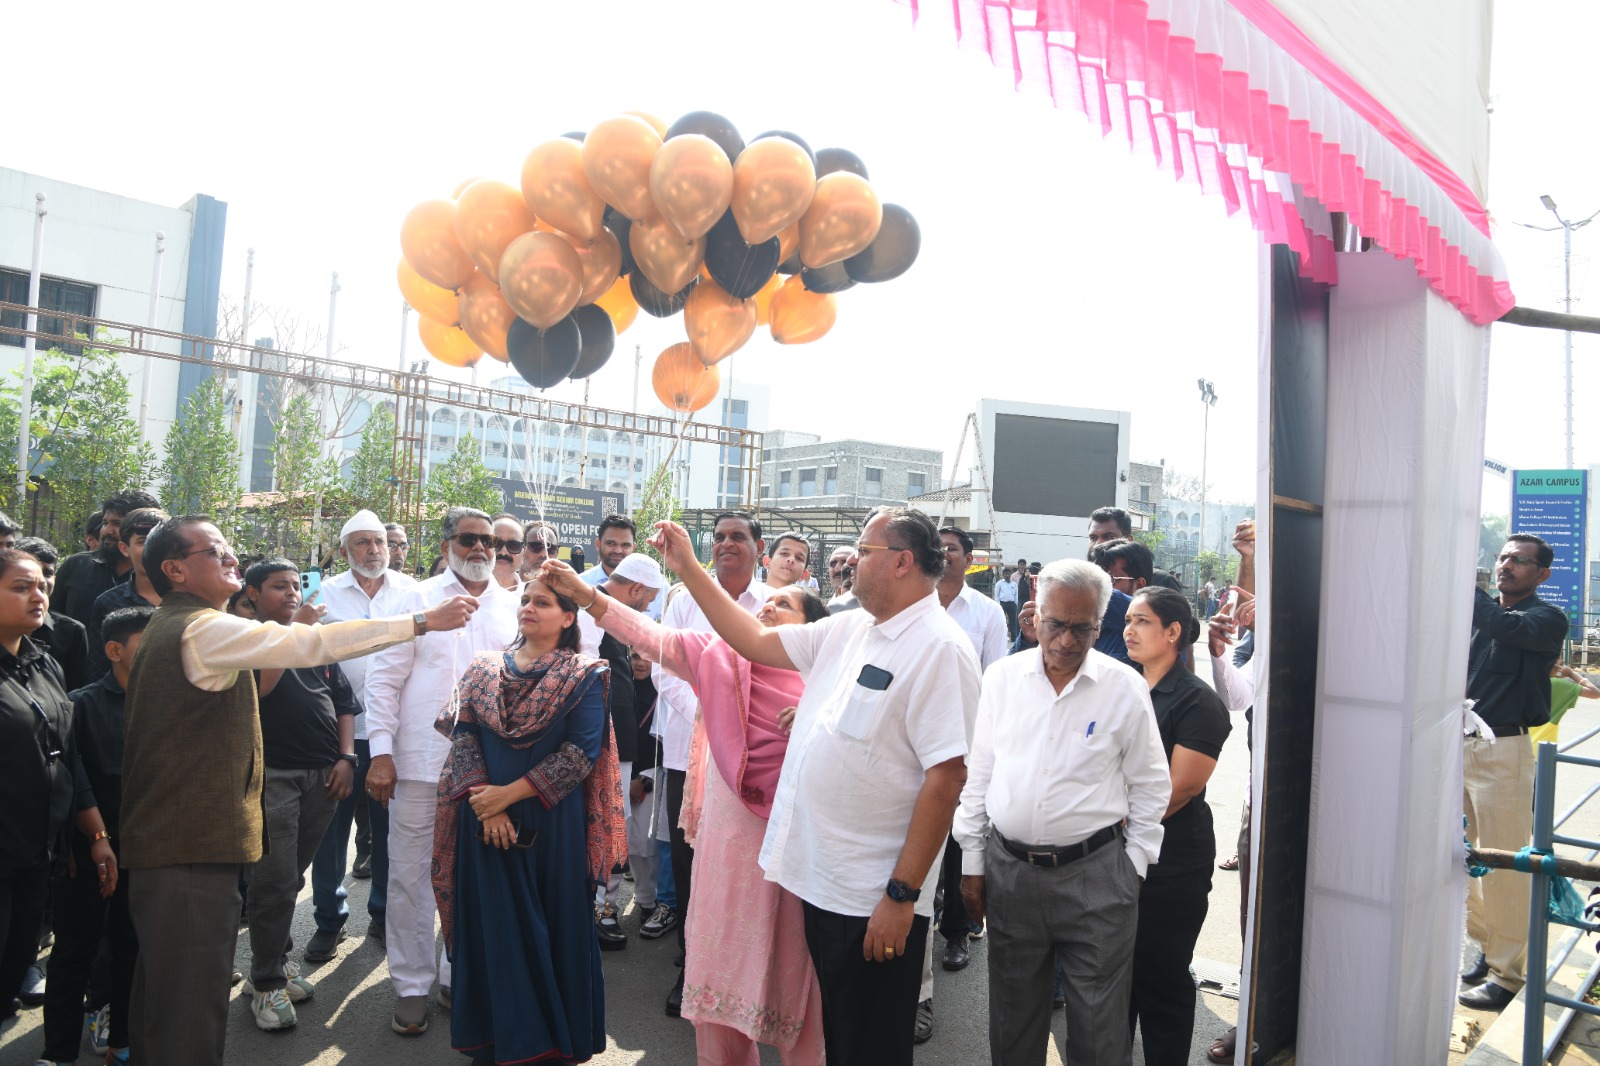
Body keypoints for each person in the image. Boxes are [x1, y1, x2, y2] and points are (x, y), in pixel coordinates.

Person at [117, 515, 478, 1066]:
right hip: (189, 844)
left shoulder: (184, 624)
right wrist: (421, 622)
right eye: (216, 551)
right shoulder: (199, 628)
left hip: (179, 838)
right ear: (175, 569)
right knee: (189, 1002)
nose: (232, 558)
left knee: (168, 993)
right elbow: (310, 643)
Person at [652, 508, 979, 1066]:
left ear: (902, 562)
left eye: (865, 551)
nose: (852, 562)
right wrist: (687, 567)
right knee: (839, 1038)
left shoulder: (939, 648)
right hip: (820, 883)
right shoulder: (852, 627)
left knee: (870, 1047)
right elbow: (754, 639)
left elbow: (946, 779)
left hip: (872, 896)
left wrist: (900, 896)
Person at [544, 556, 829, 1065]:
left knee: (799, 975)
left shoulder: (830, 684)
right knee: (720, 965)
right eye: (764, 603)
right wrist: (586, 596)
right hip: (728, 847)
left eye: (784, 604)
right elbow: (649, 636)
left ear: (812, 631)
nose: (767, 608)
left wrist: (815, 717)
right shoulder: (719, 657)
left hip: (795, 851)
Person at [954, 559, 1170, 1066]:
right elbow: (979, 773)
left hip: (1098, 876)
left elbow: (1150, 783)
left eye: (1083, 628)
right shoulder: (1002, 678)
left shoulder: (1123, 686)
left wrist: (1134, 866)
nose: (1067, 640)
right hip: (1010, 873)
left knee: (1098, 1031)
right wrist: (972, 863)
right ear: (1035, 612)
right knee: (1013, 1021)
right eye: (1055, 624)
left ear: (1100, 624)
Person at [432, 576, 626, 1065]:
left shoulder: (584, 675)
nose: (528, 607)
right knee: (493, 927)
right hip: (483, 821)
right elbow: (463, 737)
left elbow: (580, 753)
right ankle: (495, 1041)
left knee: (551, 925)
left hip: (551, 825)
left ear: (568, 617)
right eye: (525, 600)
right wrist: (487, 801)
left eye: (542, 602)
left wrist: (507, 796)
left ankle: (549, 1044)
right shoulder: (483, 669)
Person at [364, 507, 521, 1036]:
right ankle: (411, 985)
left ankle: (461, 973)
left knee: (476, 877)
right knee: (410, 877)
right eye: (468, 538)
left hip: (490, 773)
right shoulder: (415, 599)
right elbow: (383, 680)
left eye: (489, 541)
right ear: (446, 544)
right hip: (420, 765)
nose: (481, 549)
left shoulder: (515, 605)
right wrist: (380, 753)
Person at [237, 558, 364, 1031]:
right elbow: (260, 690)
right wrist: (295, 633)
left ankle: (269, 963)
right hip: (274, 775)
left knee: (291, 877)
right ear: (253, 593)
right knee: (272, 880)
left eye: (296, 585)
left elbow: (345, 704)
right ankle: (267, 982)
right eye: (278, 586)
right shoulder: (248, 638)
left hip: (323, 774)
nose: (292, 593)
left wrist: (347, 758)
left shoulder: (315, 642)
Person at [654, 512, 771, 1017]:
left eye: (738, 537)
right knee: (690, 866)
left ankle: (747, 978)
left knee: (746, 870)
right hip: (691, 755)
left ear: (758, 547)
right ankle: (692, 969)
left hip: (753, 762)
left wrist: (735, 724)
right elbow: (664, 667)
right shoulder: (683, 600)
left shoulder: (773, 603)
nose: (726, 544)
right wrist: (711, 715)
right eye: (719, 537)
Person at [0, 550, 117, 1024]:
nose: (39, 594)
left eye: (41, 585)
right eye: (21, 587)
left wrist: (96, 834)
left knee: (13, 969)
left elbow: (68, 755)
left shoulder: (44, 663)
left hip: (37, 854)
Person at [1459, 534, 1568, 1011]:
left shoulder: (1546, 618)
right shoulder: (1484, 619)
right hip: (1461, 747)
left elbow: (1502, 625)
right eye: (1502, 557)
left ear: (1542, 574)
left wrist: (1464, 585)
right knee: (1464, 858)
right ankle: (1487, 948)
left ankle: (1509, 974)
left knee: (1505, 865)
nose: (1506, 565)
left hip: (1504, 750)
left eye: (1520, 560)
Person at [38, 606, 151, 1066]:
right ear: (114, 651)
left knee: (131, 947)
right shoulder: (80, 704)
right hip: (86, 849)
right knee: (74, 951)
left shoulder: (166, 702)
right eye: (148, 644)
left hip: (143, 847)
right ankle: (58, 1053)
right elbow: (69, 771)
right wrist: (92, 837)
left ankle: (122, 1040)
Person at [1122, 587, 1230, 1065]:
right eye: (1128, 620)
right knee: (1117, 978)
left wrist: (1104, 824)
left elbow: (1178, 789)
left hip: (1171, 863)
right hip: (1116, 853)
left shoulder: (1197, 701)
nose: (1129, 630)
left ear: (1172, 632)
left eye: (1142, 621)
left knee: (1161, 977)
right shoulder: (1123, 685)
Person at [309, 510, 418, 960]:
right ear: (343, 550)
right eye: (362, 542)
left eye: (379, 542)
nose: (374, 550)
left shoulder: (412, 592)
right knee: (330, 834)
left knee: (392, 832)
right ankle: (328, 920)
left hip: (393, 733)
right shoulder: (322, 594)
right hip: (338, 734)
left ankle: (383, 914)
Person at [921, 525, 1008, 1035]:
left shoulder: (987, 612)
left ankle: (955, 931)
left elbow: (995, 678)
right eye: (938, 547)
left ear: (968, 559)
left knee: (958, 840)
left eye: (952, 548)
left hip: (965, 741)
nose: (944, 554)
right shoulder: (914, 604)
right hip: (916, 740)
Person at [575, 552, 665, 949]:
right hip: (596, 741)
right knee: (603, 829)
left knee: (613, 829)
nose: (646, 608)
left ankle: (601, 908)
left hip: (615, 741)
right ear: (637, 589)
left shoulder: (606, 610)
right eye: (647, 600)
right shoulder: (589, 610)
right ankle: (599, 912)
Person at [84, 507, 166, 682]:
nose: (153, 550)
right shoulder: (108, 602)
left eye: (161, 543)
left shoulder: (189, 598)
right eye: (143, 541)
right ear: (124, 548)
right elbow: (98, 672)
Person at [54, 491, 161, 624]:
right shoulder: (76, 566)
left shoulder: (161, 579)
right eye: (105, 523)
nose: (106, 531)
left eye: (117, 524)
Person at [15, 536, 91, 693]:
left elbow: (75, 692)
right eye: (31, 574)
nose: (40, 581)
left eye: (47, 573)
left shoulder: (72, 632)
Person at [490, 513, 525, 590]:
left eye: (513, 545)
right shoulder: (463, 591)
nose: (503, 552)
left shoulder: (532, 595)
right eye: (496, 543)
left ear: (524, 554)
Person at [995, 566, 1020, 640]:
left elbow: (1016, 594)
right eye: (1005, 574)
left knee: (1013, 621)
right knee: (1001, 620)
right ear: (1003, 575)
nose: (1007, 575)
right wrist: (998, 604)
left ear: (1010, 574)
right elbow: (996, 594)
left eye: (1008, 573)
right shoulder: (999, 583)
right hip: (1002, 603)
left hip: (1012, 604)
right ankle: (1001, 637)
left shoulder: (1014, 584)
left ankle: (1013, 637)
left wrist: (1015, 603)